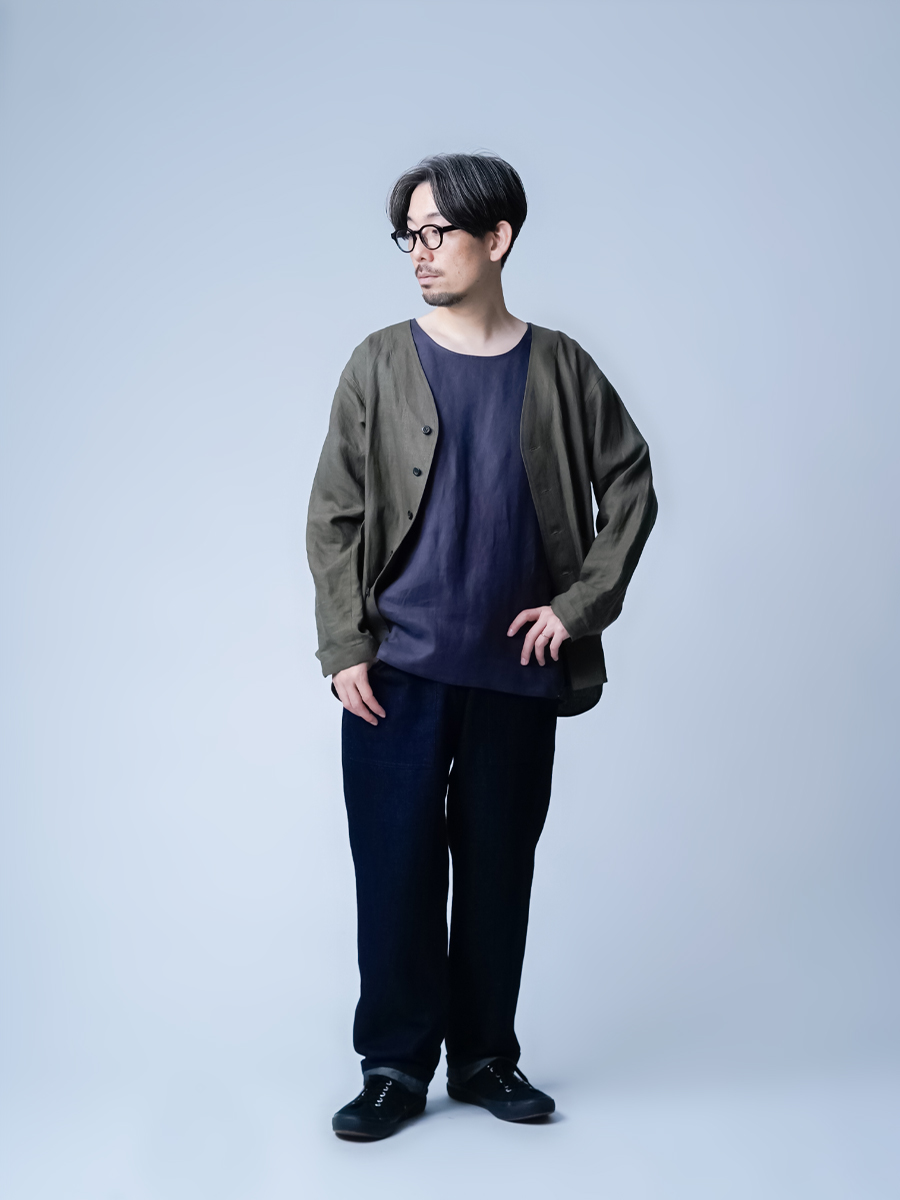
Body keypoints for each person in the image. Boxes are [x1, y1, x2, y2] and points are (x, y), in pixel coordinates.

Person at [306, 152, 657, 1140]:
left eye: (436, 232)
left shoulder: (562, 367)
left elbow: (631, 482)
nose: (418, 252)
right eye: (408, 235)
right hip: (395, 677)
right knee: (396, 875)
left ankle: (485, 1058)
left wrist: (578, 608)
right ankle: (394, 1067)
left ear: (496, 239)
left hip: (515, 675)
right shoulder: (378, 362)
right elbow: (334, 514)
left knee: (499, 872)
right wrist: (344, 644)